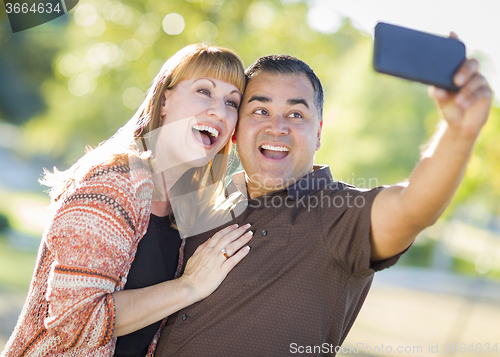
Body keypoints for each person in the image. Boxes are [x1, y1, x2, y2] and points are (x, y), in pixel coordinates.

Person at [154, 44, 492, 356]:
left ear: (318, 133)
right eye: (260, 110)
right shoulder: (202, 202)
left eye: (296, 114)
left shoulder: (338, 215)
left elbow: (412, 208)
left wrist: (458, 133)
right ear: (237, 127)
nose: (277, 127)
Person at [1, 43, 254, 357]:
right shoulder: (114, 182)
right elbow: (74, 321)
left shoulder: (183, 205)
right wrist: (189, 286)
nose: (219, 110)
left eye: (232, 102)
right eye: (204, 91)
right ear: (165, 100)